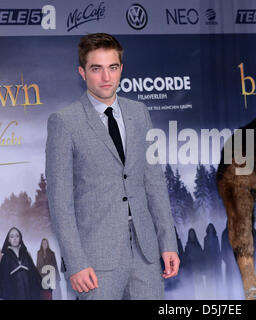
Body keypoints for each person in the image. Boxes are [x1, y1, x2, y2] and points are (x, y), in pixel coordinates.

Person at [45, 33, 179, 300]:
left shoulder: (139, 113)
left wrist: (168, 243)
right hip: (95, 260)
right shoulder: (64, 122)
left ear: (121, 69)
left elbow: (153, 182)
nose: (106, 77)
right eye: (97, 68)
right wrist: (76, 261)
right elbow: (60, 202)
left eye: (112, 67)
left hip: (146, 254)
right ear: (82, 72)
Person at [0, 227, 42, 300]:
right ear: (8, 240)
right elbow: (3, 278)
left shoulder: (25, 254)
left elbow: (33, 272)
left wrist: (41, 282)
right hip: (13, 293)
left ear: (20, 238)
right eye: (12, 236)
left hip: (28, 291)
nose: (15, 238)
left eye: (17, 236)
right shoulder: (5, 257)